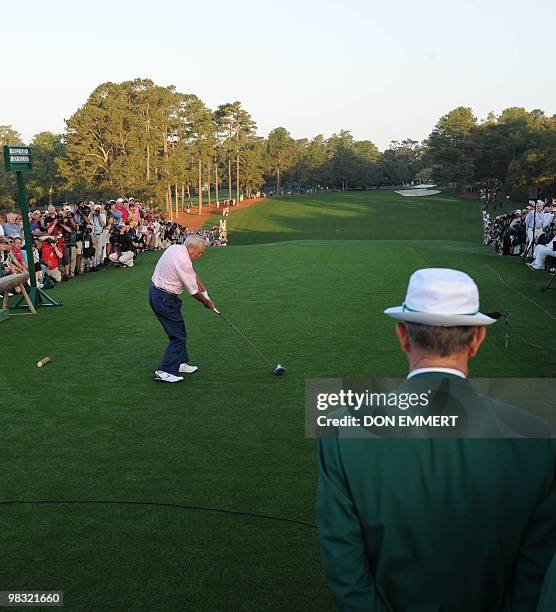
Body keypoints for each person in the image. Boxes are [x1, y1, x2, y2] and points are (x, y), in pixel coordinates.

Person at [317, 268, 556, 612]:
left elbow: (344, 565)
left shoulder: (343, 429)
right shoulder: (536, 436)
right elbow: (536, 571)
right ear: (477, 339)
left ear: (402, 334)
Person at [149, 235, 217, 383]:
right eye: (199, 252)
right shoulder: (183, 261)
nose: (200, 255)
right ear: (191, 248)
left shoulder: (175, 249)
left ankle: (179, 362)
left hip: (158, 294)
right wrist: (207, 303)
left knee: (179, 330)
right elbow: (193, 291)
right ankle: (165, 371)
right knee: (178, 336)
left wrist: (204, 290)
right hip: (164, 299)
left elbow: (192, 274)